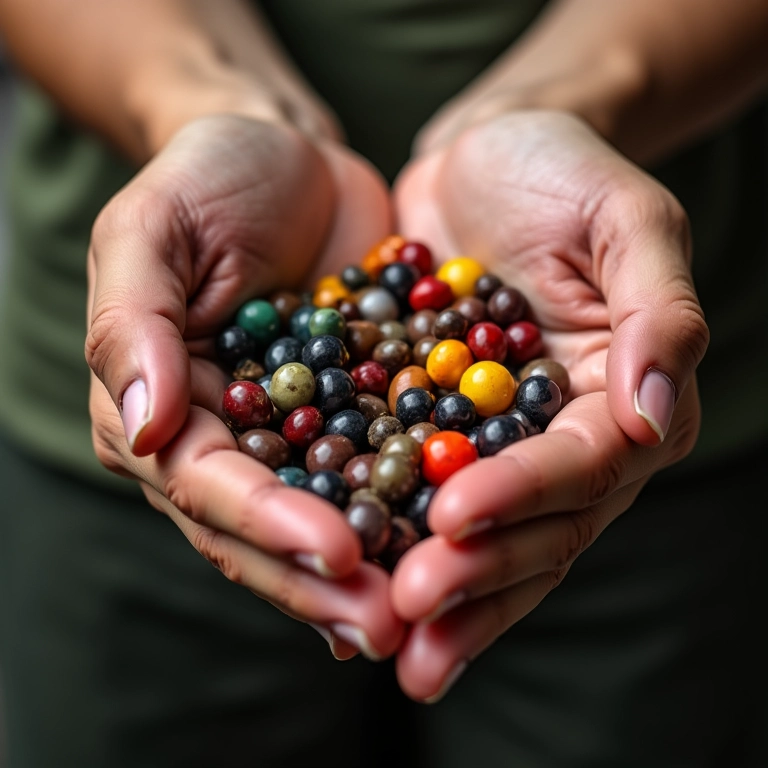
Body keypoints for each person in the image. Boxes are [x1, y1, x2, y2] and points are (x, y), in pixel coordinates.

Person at [0, 1, 765, 766]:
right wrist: (203, 100)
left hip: (655, 461)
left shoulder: (429, 377)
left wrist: (561, 102)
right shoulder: (331, 372)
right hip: (146, 427)